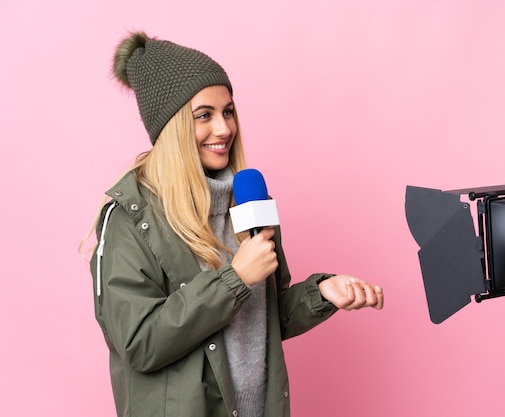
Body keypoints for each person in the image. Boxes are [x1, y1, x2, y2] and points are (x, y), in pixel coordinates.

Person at [87, 31, 384, 417]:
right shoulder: (130, 220)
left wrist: (321, 294)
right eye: (204, 116)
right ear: (171, 127)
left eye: (228, 111)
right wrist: (235, 279)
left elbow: (263, 319)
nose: (225, 129)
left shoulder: (247, 200)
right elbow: (140, 343)